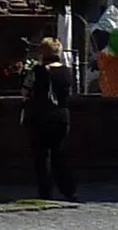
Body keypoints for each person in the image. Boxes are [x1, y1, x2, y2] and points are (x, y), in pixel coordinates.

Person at [23, 38, 78, 202]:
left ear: (43, 52)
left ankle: (45, 191)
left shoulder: (38, 71)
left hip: (40, 116)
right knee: (59, 153)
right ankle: (68, 189)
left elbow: (25, 91)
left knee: (41, 155)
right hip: (62, 117)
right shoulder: (68, 72)